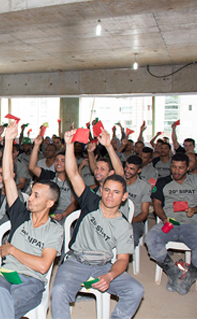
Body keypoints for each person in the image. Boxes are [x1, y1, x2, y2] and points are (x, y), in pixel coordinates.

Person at [49, 128, 143, 319]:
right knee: (58, 291)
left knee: (136, 290)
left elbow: (123, 259)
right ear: (101, 189)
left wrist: (109, 276)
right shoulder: (90, 202)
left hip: (104, 265)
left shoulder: (123, 224)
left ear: (124, 196)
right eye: (107, 190)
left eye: (116, 192)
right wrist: (68, 145)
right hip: (76, 261)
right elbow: (73, 173)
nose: (110, 195)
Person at [0, 124, 64, 318]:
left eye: (36, 196)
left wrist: (12, 250)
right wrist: (8, 141)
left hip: (31, 281)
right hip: (6, 273)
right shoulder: (21, 214)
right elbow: (9, 179)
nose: (30, 198)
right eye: (32, 193)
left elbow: (43, 266)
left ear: (50, 203)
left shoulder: (55, 230)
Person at [146, 152, 197, 295]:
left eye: (180, 168)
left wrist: (195, 209)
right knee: (151, 239)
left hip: (192, 224)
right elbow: (157, 204)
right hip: (170, 223)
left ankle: (189, 277)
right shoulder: (162, 182)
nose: (176, 171)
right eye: (173, 167)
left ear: (188, 168)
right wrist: (164, 217)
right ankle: (171, 270)